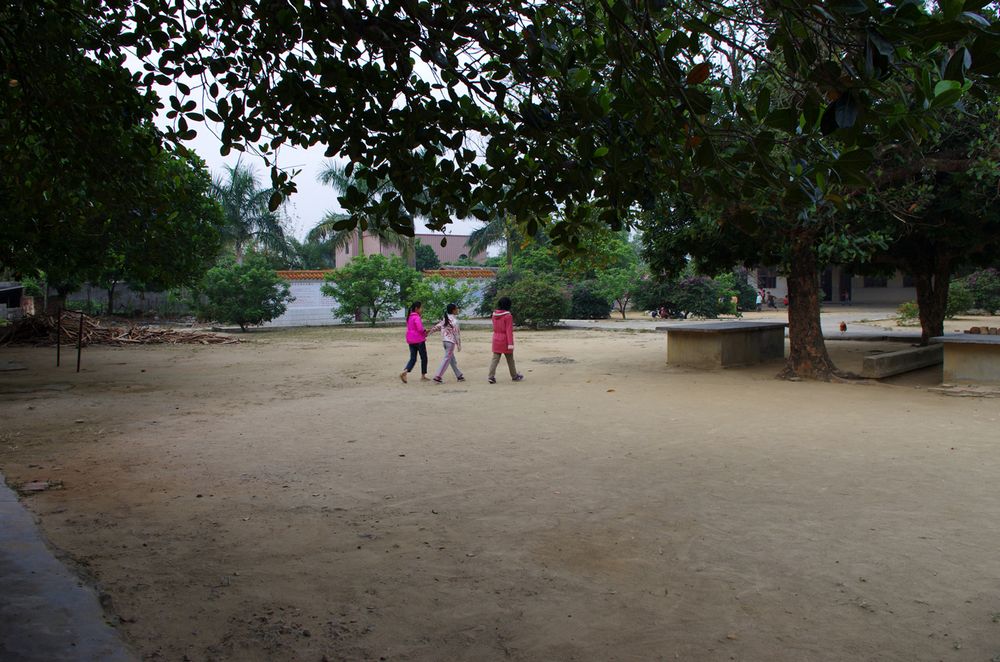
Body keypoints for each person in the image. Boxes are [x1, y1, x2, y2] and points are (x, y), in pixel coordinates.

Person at [488, 296, 524, 384]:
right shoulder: (508, 316)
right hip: (505, 340)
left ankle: (491, 376)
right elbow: (509, 331)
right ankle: (514, 376)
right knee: (510, 360)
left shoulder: (494, 315)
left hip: (496, 338)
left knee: (495, 359)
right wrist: (510, 344)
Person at [431, 303, 465, 384]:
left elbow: (437, 327)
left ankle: (459, 375)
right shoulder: (455, 321)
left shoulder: (445, 318)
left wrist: (428, 332)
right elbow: (457, 334)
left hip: (445, 342)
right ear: (453, 310)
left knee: (451, 359)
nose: (458, 310)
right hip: (450, 342)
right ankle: (438, 377)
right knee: (447, 359)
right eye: (457, 308)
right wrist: (459, 345)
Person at [400, 301, 433, 383]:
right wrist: (426, 331)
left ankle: (405, 371)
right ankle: (423, 376)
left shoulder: (409, 317)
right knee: (424, 358)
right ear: (416, 308)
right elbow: (420, 329)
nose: (422, 309)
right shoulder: (417, 317)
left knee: (413, 358)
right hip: (419, 340)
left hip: (411, 340)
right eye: (421, 308)